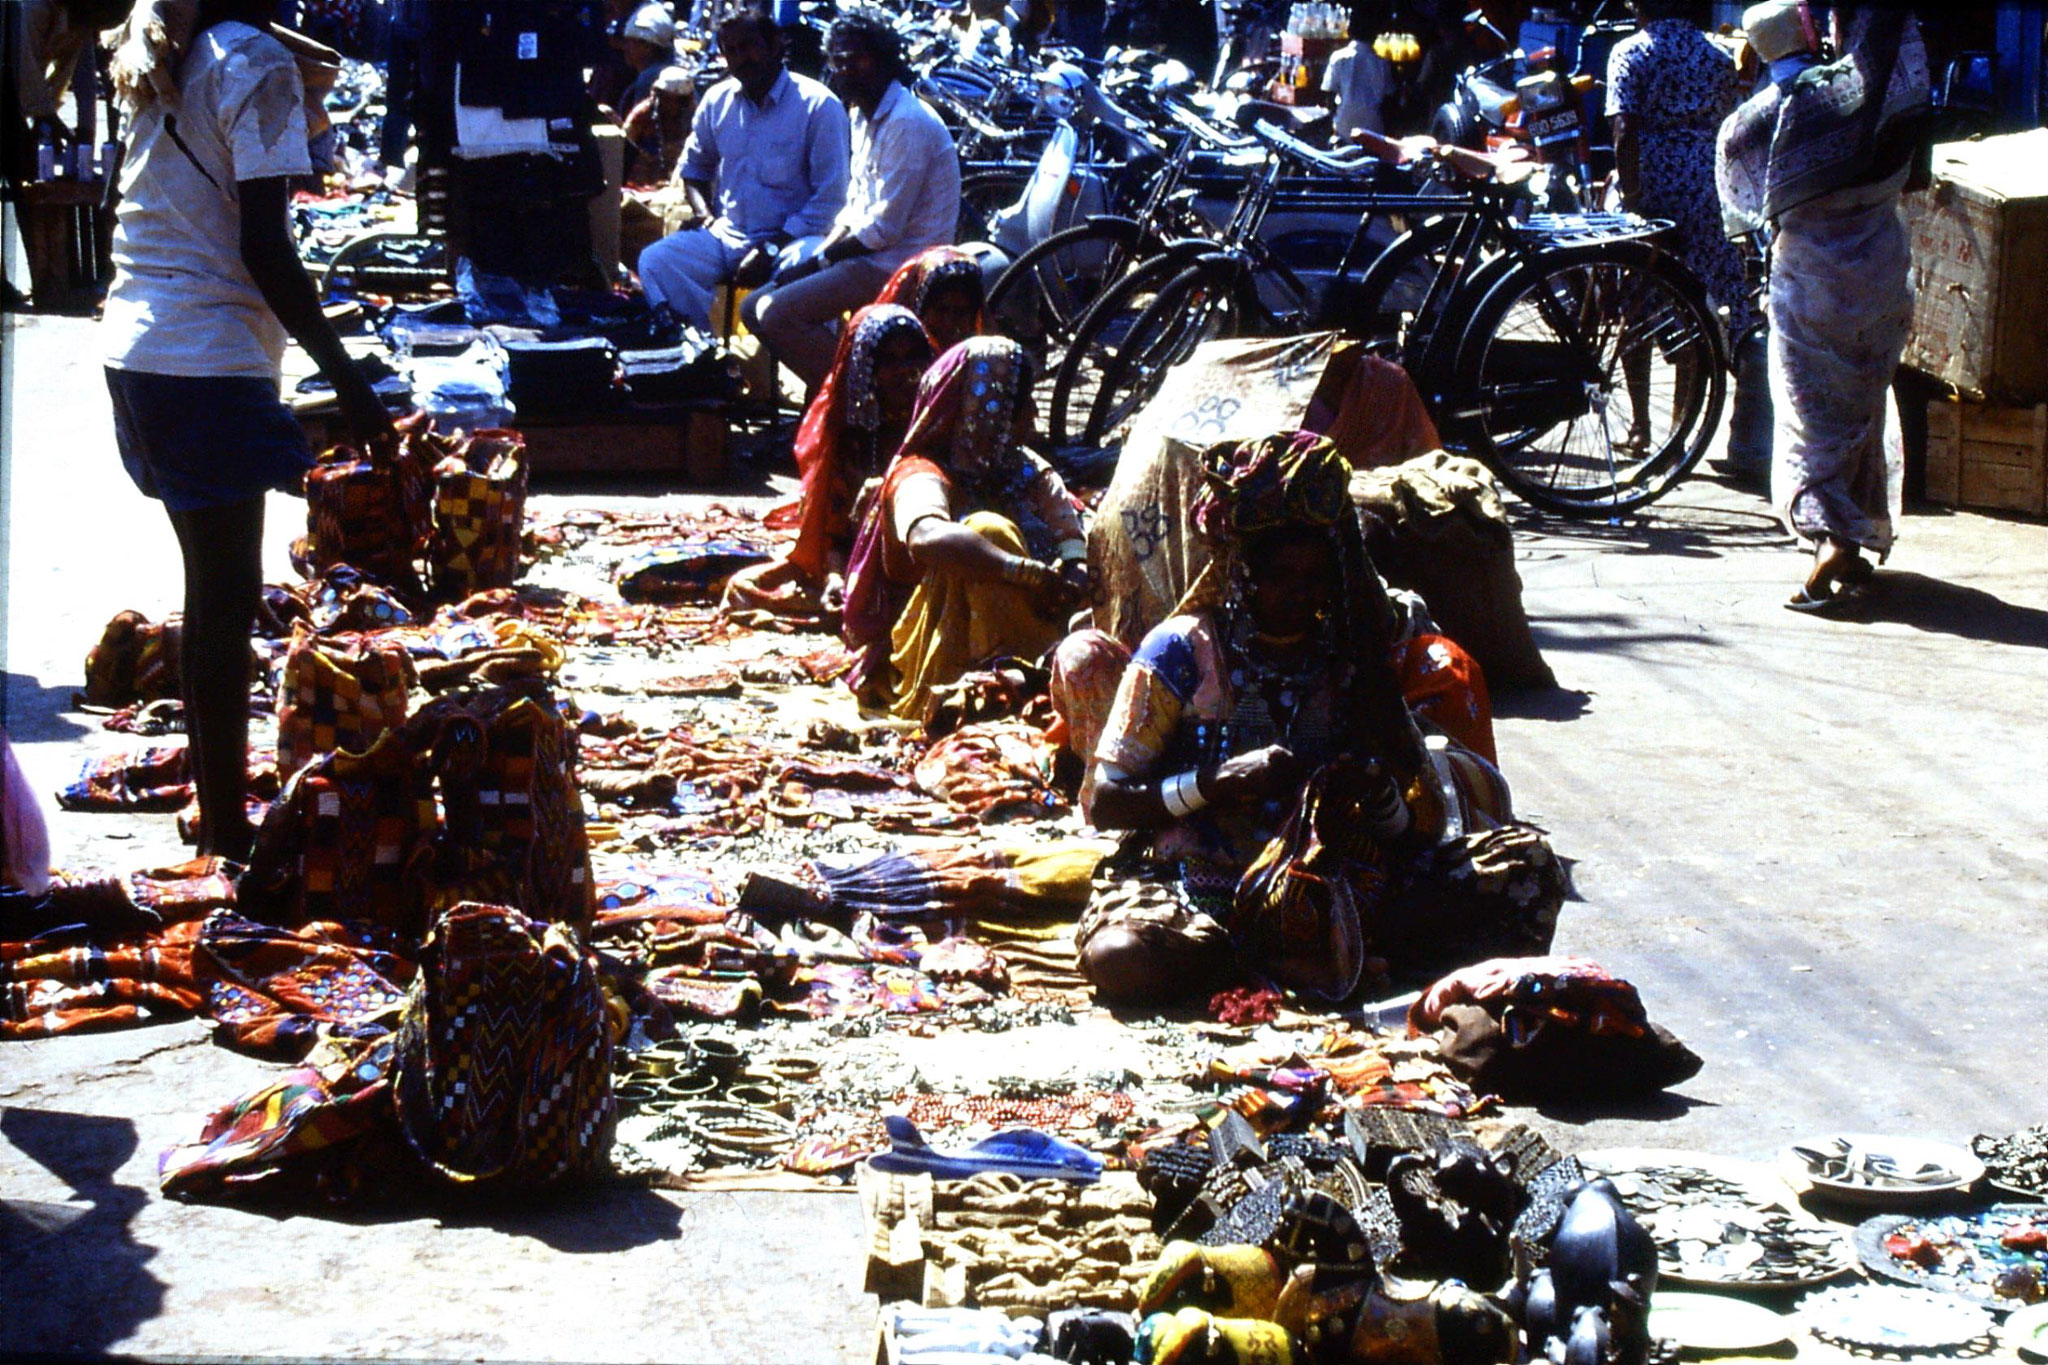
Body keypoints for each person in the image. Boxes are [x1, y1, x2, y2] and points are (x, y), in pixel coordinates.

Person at [1073, 434, 1549, 1007]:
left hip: (1338, 885)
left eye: (1313, 577)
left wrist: (1376, 793)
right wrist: (1214, 784)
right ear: (1239, 570)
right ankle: (1289, 963)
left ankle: (1308, 955)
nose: (1297, 594)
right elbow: (1105, 801)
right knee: (1120, 957)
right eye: (1279, 576)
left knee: (1528, 874)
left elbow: (1415, 828)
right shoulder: (1181, 649)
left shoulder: (1352, 661)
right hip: (1199, 888)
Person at [101, 0, 396, 860]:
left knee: (212, 596)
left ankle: (220, 808)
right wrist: (349, 381)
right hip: (203, 358)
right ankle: (229, 833)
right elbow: (267, 247)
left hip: (140, 351)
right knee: (224, 604)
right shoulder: (251, 60)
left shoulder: (184, 51)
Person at [1717, 2, 1930, 611]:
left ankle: (1828, 546)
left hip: (1811, 278)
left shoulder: (1759, 118)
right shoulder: (1881, 95)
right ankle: (1855, 540)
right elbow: (1913, 175)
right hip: (1882, 270)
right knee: (1862, 404)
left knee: (1810, 417)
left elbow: (1744, 208)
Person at [842, 336, 1089, 721]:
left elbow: (1070, 533)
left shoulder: (1025, 467)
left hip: (1039, 616)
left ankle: (1033, 671)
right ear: (987, 412)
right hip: (942, 642)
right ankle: (1003, 680)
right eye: (1022, 404)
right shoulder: (921, 472)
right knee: (987, 530)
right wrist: (1025, 572)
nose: (1035, 415)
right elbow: (926, 537)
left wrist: (1074, 572)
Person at [744, 12, 961, 390]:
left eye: (857, 60)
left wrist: (821, 261)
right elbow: (854, 206)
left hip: (901, 266)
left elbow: (884, 230)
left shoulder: (907, 121)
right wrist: (817, 260)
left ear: (883, 60)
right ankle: (842, 396)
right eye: (839, 61)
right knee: (753, 308)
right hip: (869, 256)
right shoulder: (861, 113)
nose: (846, 70)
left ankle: (861, 400)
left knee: (776, 313)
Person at [635, 6, 849, 333]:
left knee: (807, 266)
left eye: (749, 46)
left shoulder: (818, 105)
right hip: (728, 237)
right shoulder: (717, 101)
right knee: (657, 261)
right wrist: (705, 215)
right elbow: (694, 169)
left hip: (793, 242)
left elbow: (831, 201)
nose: (741, 58)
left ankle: (810, 368)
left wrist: (771, 247)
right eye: (731, 51)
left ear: (776, 45)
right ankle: (702, 356)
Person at [722, 305, 935, 624]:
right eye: (889, 360)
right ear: (867, 370)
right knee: (742, 589)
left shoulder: (937, 426)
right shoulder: (853, 440)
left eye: (912, 358)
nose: (904, 371)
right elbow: (836, 534)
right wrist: (836, 579)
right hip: (864, 570)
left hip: (930, 566)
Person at [1606, 1, 1748, 337]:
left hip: (1652, 185)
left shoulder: (1629, 52)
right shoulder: (1718, 55)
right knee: (1703, 295)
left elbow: (1624, 133)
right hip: (1708, 185)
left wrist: (1631, 196)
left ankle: (1639, 392)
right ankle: (1696, 382)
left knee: (1637, 300)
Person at [3, 0, 134, 310]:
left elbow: (65, 73)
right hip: (6, 82)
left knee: (25, 170)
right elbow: (22, 63)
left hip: (15, 94)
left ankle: (48, 282)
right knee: (18, 164)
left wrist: (51, 118)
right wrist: (42, 115)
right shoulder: (34, 8)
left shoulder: (81, 24)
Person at [875, 245, 986, 354]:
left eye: (961, 312)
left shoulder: (984, 357)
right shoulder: (894, 359)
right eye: (942, 310)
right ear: (919, 308)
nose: (949, 322)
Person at [621, 64, 694, 184]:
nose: (672, 105)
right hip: (644, 176)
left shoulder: (693, 115)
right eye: (667, 99)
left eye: (678, 101)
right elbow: (625, 147)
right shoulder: (642, 115)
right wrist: (647, 157)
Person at [613, 1, 681, 117]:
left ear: (647, 46)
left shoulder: (650, 79)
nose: (625, 48)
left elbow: (645, 132)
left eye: (631, 42)